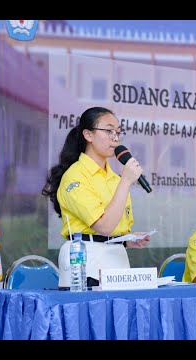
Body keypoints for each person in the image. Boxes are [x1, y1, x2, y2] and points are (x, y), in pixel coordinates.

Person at [42, 106, 150, 288]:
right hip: (85, 262)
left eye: (118, 132)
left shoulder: (116, 178)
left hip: (117, 261)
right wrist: (126, 182)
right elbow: (104, 226)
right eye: (108, 131)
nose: (115, 138)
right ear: (88, 135)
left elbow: (114, 227)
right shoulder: (75, 177)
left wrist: (129, 238)